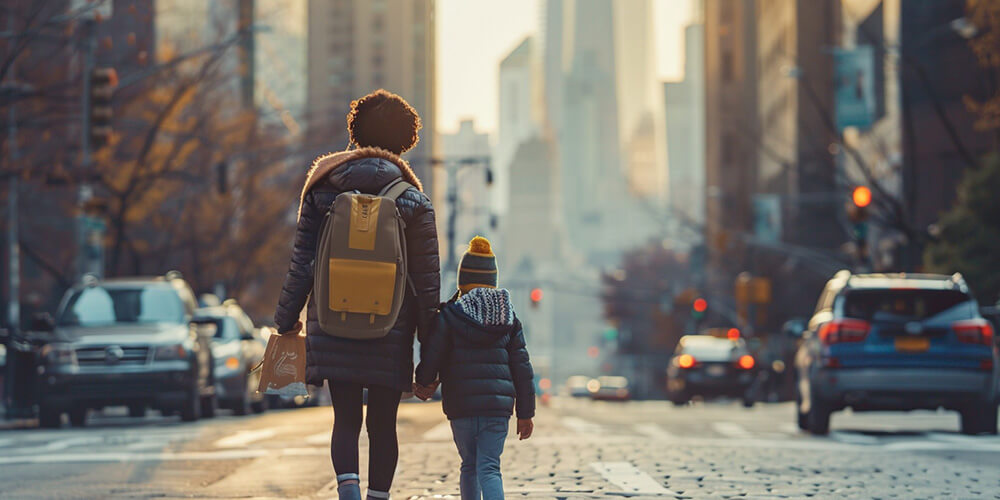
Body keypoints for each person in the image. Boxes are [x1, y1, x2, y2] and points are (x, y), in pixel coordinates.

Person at [274, 89, 440, 500]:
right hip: (391, 327)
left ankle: (347, 492)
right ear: (404, 143)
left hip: (333, 321)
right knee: (383, 423)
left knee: (345, 418)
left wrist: (286, 318)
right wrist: (429, 354)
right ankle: (378, 497)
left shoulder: (321, 190)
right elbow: (426, 285)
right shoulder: (415, 200)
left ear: (356, 133)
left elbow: (303, 264)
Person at [414, 236, 535, 500]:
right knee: (490, 468)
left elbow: (433, 354)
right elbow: (522, 369)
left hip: (462, 406)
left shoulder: (449, 315)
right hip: (497, 408)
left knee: (469, 466)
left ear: (462, 282)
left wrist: (423, 382)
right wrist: (525, 413)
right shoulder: (509, 318)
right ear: (493, 281)